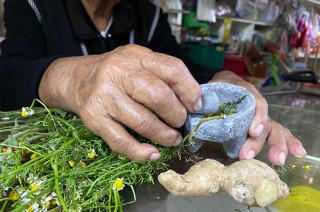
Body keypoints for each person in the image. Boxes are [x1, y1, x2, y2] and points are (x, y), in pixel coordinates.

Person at [0, 0, 306, 163]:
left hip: (140, 170)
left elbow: (183, 66)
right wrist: (77, 78)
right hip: (58, 160)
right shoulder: (33, 4)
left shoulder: (147, 15)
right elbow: (9, 74)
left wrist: (220, 80)